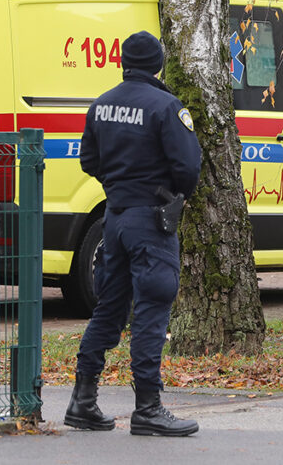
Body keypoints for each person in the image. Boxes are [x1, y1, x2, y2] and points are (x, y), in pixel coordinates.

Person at [65, 30, 202, 436]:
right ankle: (148, 407)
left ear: (123, 62)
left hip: (115, 218)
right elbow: (189, 168)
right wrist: (171, 193)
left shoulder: (101, 105)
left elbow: (88, 160)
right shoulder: (166, 106)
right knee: (152, 308)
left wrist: (119, 184)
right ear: (158, 63)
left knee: (109, 307)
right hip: (151, 221)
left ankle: (82, 400)